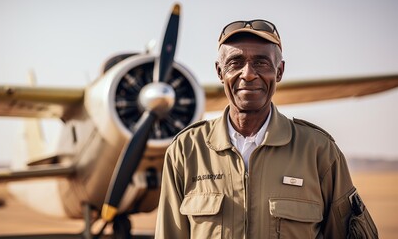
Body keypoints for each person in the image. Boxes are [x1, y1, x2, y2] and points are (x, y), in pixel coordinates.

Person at [155, 19, 378, 238]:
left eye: (261, 62)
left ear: (279, 71)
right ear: (219, 72)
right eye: (235, 63)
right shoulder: (185, 151)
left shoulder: (319, 150)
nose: (249, 73)